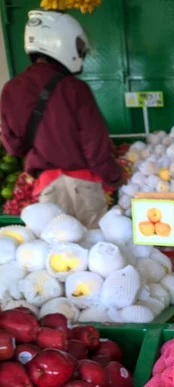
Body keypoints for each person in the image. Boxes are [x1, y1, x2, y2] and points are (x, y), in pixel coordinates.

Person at [0, 9, 124, 228]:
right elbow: (95, 147)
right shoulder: (74, 89)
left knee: (58, 258)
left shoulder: (11, 90)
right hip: (84, 189)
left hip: (47, 190)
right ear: (61, 43)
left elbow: (14, 147)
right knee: (95, 255)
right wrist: (115, 177)